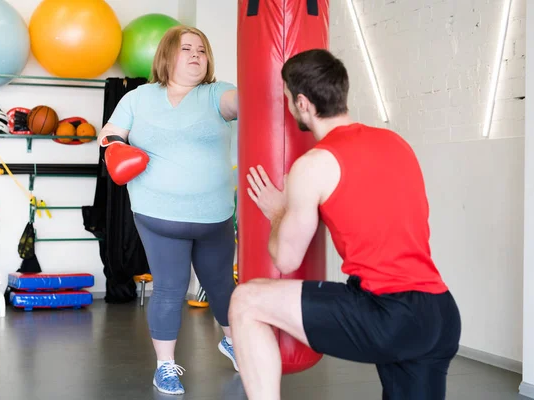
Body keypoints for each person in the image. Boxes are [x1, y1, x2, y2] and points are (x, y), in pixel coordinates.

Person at [228, 48, 461, 400]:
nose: (289, 107)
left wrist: (278, 212)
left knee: (245, 299)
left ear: (302, 103)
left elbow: (286, 260)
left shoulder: (314, 164)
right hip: (439, 315)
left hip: (387, 313)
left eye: (288, 100)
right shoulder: (396, 142)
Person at [97, 25, 239, 395]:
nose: (195, 54)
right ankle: (165, 367)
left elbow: (242, 103)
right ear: (166, 56)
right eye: (186, 48)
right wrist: (115, 146)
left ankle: (233, 342)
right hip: (159, 215)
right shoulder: (139, 98)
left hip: (215, 216)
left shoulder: (216, 94)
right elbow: (110, 132)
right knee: (169, 290)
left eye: (202, 50)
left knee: (223, 288)